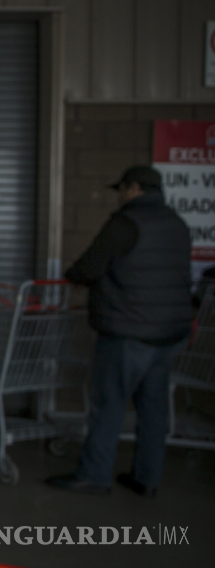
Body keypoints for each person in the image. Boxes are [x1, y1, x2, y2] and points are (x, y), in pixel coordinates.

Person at [47, 166, 192, 498]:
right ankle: (146, 478)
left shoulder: (125, 224)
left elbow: (88, 267)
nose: (120, 195)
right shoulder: (177, 224)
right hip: (169, 332)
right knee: (153, 407)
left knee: (108, 404)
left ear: (136, 188)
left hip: (129, 330)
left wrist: (75, 276)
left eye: (122, 189)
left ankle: (94, 475)